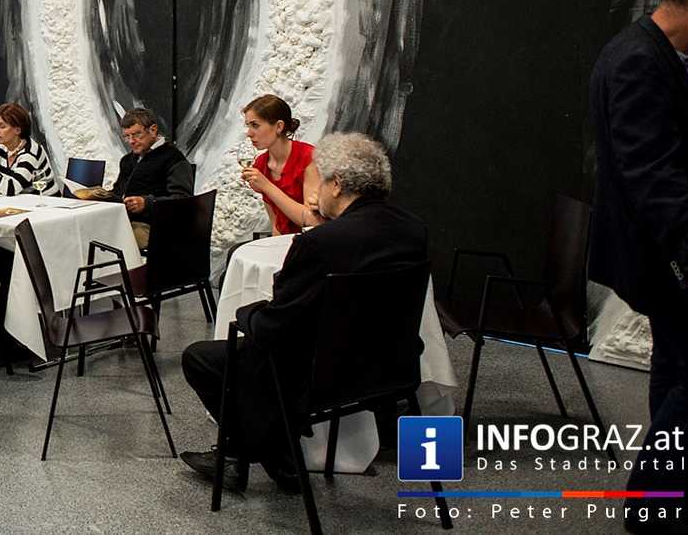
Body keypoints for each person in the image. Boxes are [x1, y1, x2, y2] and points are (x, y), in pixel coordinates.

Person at [179, 133, 428, 494]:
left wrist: (248, 312)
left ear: (337, 185)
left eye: (319, 181)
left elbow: (274, 326)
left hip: (322, 377)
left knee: (203, 358)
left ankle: (262, 453)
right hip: (390, 367)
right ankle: (260, 455)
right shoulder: (412, 230)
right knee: (257, 358)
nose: (315, 191)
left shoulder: (318, 244)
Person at [589, 0, 688, 524]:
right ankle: (650, 499)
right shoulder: (639, 62)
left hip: (659, 256)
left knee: (675, 368)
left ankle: (665, 496)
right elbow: (653, 173)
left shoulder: (643, 51)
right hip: (666, 258)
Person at [76, 108, 195, 251]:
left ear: (153, 130)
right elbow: (119, 193)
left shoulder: (174, 159)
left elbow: (183, 201)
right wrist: (98, 196)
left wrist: (147, 203)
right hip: (125, 220)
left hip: (156, 226)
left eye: (137, 134)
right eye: (127, 136)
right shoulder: (127, 160)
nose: (131, 141)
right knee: (81, 230)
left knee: (98, 238)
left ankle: (118, 273)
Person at [239, 95, 323, 235]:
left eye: (255, 125)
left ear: (279, 126)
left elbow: (311, 220)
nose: (249, 133)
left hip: (311, 242)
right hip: (284, 242)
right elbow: (276, 223)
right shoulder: (260, 164)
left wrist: (266, 185)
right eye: (248, 126)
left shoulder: (309, 158)